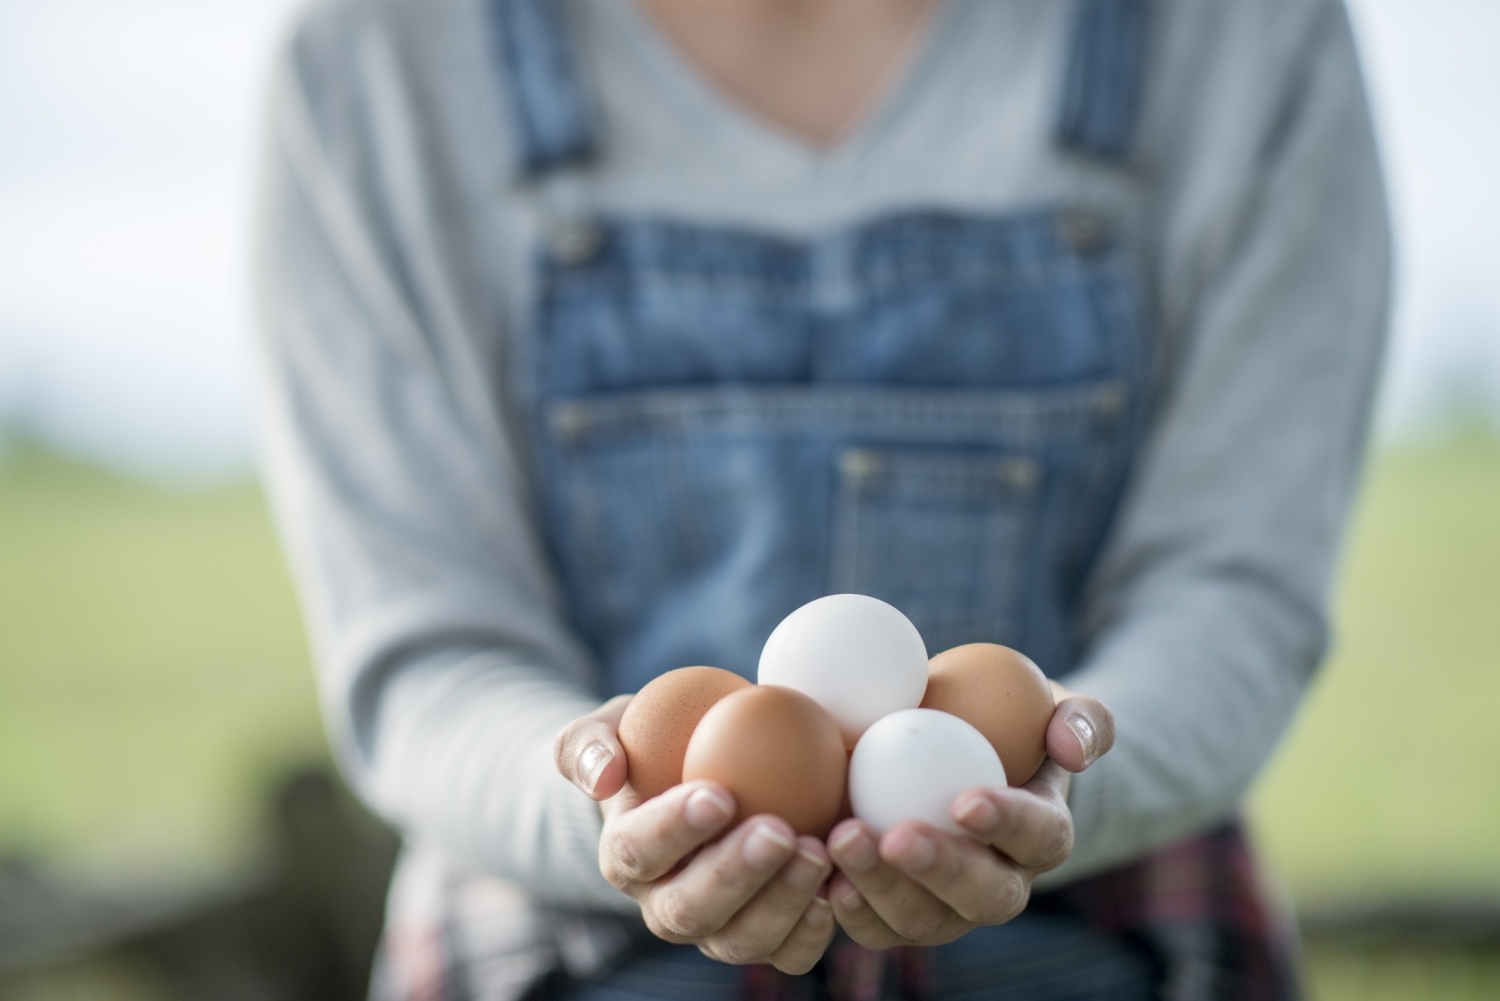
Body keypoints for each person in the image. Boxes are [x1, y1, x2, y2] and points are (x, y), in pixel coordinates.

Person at [254, 0, 1389, 997]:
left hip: (1104, 945)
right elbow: (431, 649)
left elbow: (1229, 584)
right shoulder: (380, 55)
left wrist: (1062, 768)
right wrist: (612, 796)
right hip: (565, 959)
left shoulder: (1239, 32)